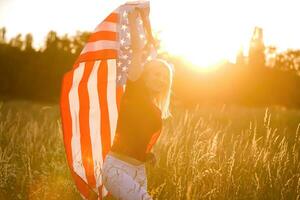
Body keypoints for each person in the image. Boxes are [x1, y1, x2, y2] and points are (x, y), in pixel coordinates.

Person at [102, 6, 173, 200]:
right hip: (116, 168)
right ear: (144, 74)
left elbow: (137, 136)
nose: (161, 80)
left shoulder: (155, 109)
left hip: (139, 171)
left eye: (165, 77)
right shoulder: (134, 89)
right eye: (156, 74)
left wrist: (147, 155)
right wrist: (136, 17)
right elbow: (137, 48)